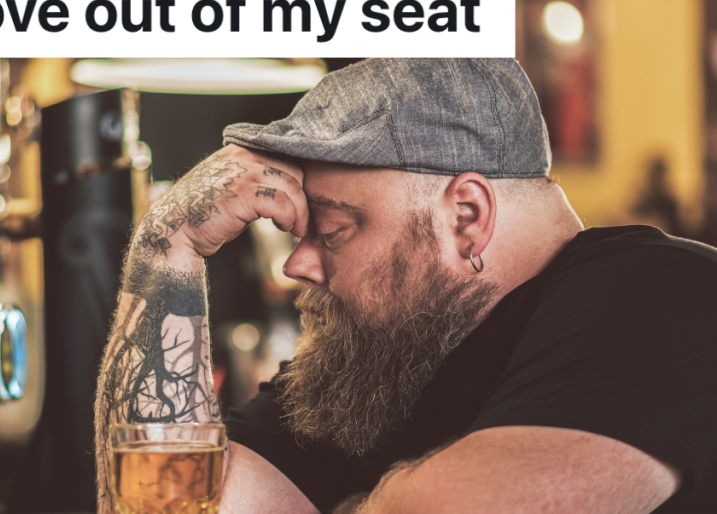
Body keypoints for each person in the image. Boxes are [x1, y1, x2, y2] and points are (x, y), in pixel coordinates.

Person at [93, 58, 717, 513]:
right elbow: (162, 506)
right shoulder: (373, 366)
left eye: (331, 230)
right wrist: (166, 247)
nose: (297, 265)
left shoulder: (667, 296)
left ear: (466, 215)